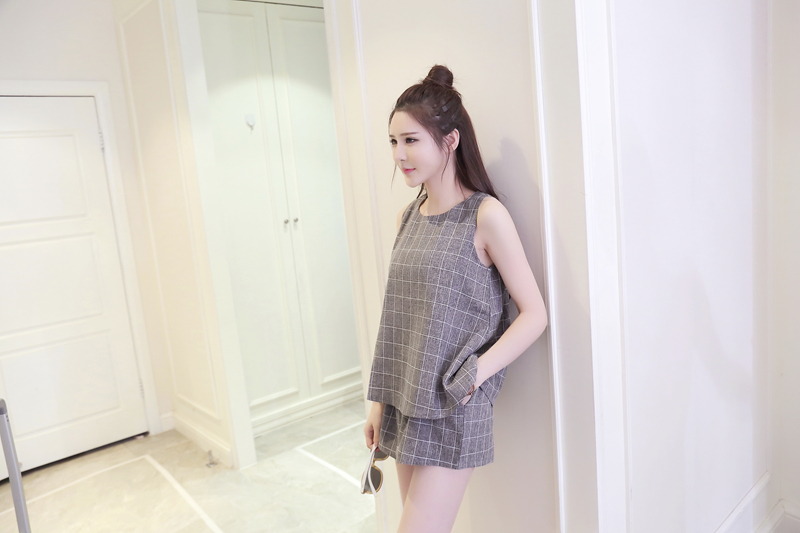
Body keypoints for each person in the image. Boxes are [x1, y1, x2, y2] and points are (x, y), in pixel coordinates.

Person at [363, 64, 548, 533]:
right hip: (405, 400)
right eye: (393, 141)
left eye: (411, 140)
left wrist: (475, 375)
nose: (399, 154)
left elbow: (534, 314)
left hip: (451, 405)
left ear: (449, 141)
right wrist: (379, 403)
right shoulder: (408, 217)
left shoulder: (486, 216)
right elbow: (398, 320)